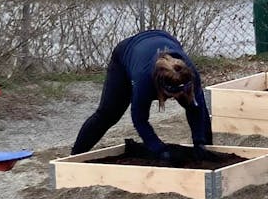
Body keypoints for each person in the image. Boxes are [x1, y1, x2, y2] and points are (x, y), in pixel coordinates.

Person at [71, 29, 213, 162]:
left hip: (163, 38)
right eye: (173, 95)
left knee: (198, 107)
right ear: (161, 88)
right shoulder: (144, 80)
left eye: (180, 93)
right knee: (108, 114)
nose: (176, 98)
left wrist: (199, 142)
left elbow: (196, 108)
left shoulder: (190, 73)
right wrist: (159, 149)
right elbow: (139, 119)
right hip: (127, 52)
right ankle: (74, 157)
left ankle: (207, 154)